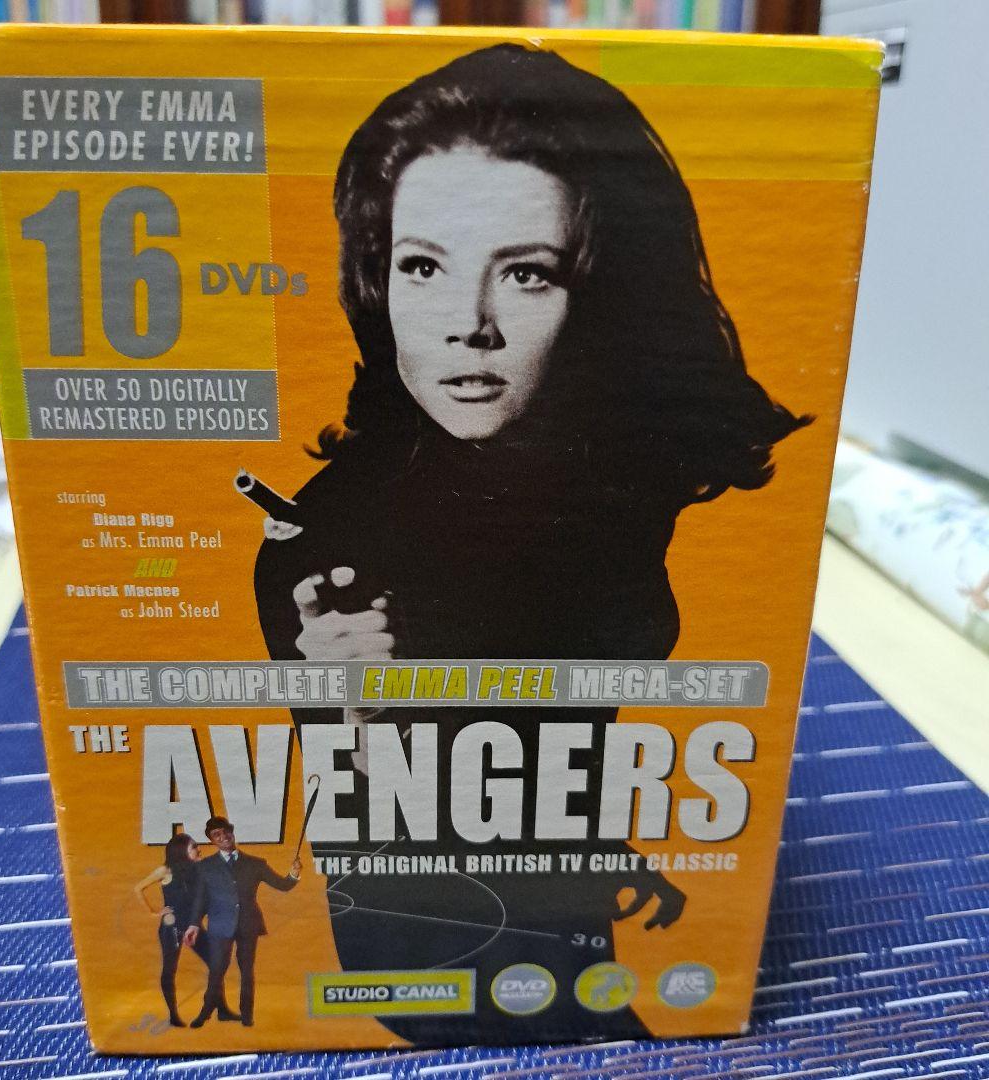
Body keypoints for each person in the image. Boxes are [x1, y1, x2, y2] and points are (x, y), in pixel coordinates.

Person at [253, 44, 809, 1043]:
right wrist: (357, 719)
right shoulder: (329, 546)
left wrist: (603, 854)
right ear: (377, 280)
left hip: (571, 946)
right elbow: (377, 883)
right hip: (445, 982)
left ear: (599, 290)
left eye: (526, 273)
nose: (470, 326)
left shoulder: (603, 474)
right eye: (424, 266)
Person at [182, 816, 301, 1028]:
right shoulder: (206, 867)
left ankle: (247, 1016)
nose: (223, 837)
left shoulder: (256, 863)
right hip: (220, 925)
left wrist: (293, 874)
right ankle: (206, 1012)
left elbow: (283, 885)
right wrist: (193, 924)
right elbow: (201, 899)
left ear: (232, 832)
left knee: (247, 971)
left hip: (248, 924)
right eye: (216, 835)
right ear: (212, 841)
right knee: (216, 970)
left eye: (225, 831)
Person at [133, 832, 228, 1027]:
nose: (199, 850)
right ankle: (173, 1015)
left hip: (193, 926)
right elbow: (138, 888)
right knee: (170, 970)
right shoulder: (165, 871)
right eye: (194, 847)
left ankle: (221, 1008)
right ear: (181, 851)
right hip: (172, 928)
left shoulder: (197, 870)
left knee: (216, 964)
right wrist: (153, 912)